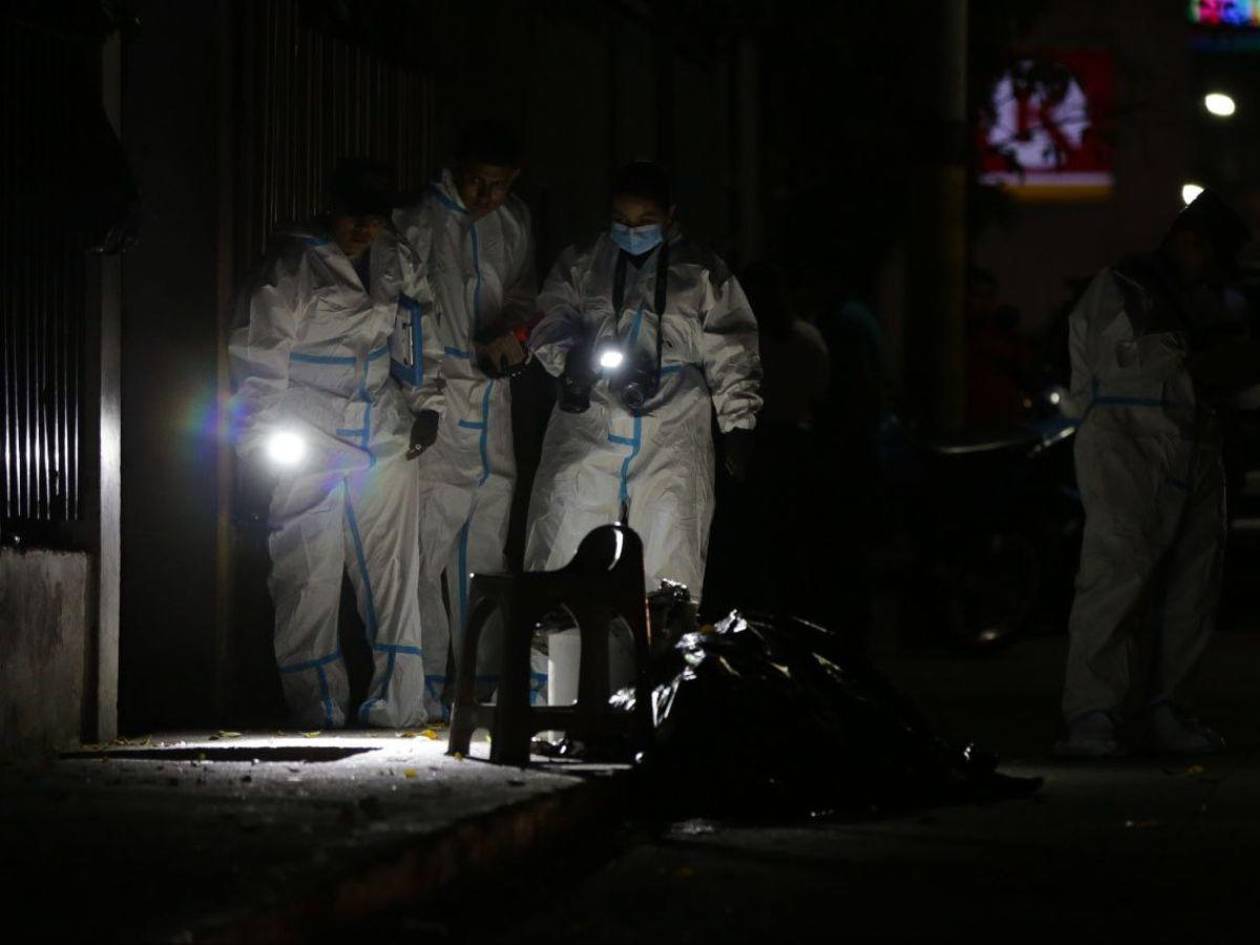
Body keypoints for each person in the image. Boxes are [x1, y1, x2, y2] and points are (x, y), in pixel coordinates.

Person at [230, 158, 429, 729]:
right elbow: (256, 358)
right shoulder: (292, 265)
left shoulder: (394, 258)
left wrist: (428, 404)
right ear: (331, 210)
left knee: (393, 567)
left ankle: (400, 703)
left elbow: (420, 331)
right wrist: (255, 449)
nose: (365, 230)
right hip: (308, 429)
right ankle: (317, 704)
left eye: (375, 219)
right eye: (354, 218)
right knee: (307, 569)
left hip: (382, 425)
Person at [1057, 189, 1253, 757]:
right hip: (1128, 449)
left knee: (1191, 585)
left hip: (1192, 449)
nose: (1213, 273)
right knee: (1117, 575)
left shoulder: (1199, 297)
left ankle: (1163, 709)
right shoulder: (1123, 289)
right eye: (1211, 258)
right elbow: (1157, 372)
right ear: (1190, 242)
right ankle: (1092, 716)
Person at [525, 161, 761, 611]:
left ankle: (662, 672)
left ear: (670, 215)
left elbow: (733, 350)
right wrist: (569, 361)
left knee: (672, 557)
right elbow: (550, 317)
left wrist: (739, 424)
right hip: (590, 422)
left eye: (646, 221)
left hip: (672, 431)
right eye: (622, 221)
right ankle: (547, 673)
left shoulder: (702, 273)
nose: (632, 231)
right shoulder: (582, 262)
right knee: (560, 538)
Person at [393, 121, 537, 712]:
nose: (486, 196)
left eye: (498, 185)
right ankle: (425, 690)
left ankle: (479, 690)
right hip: (440, 401)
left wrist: (515, 336)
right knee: (425, 553)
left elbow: (526, 296)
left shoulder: (514, 222)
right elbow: (406, 314)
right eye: (477, 182)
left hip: (492, 400)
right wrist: (423, 398)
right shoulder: (419, 224)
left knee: (483, 556)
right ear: (456, 172)